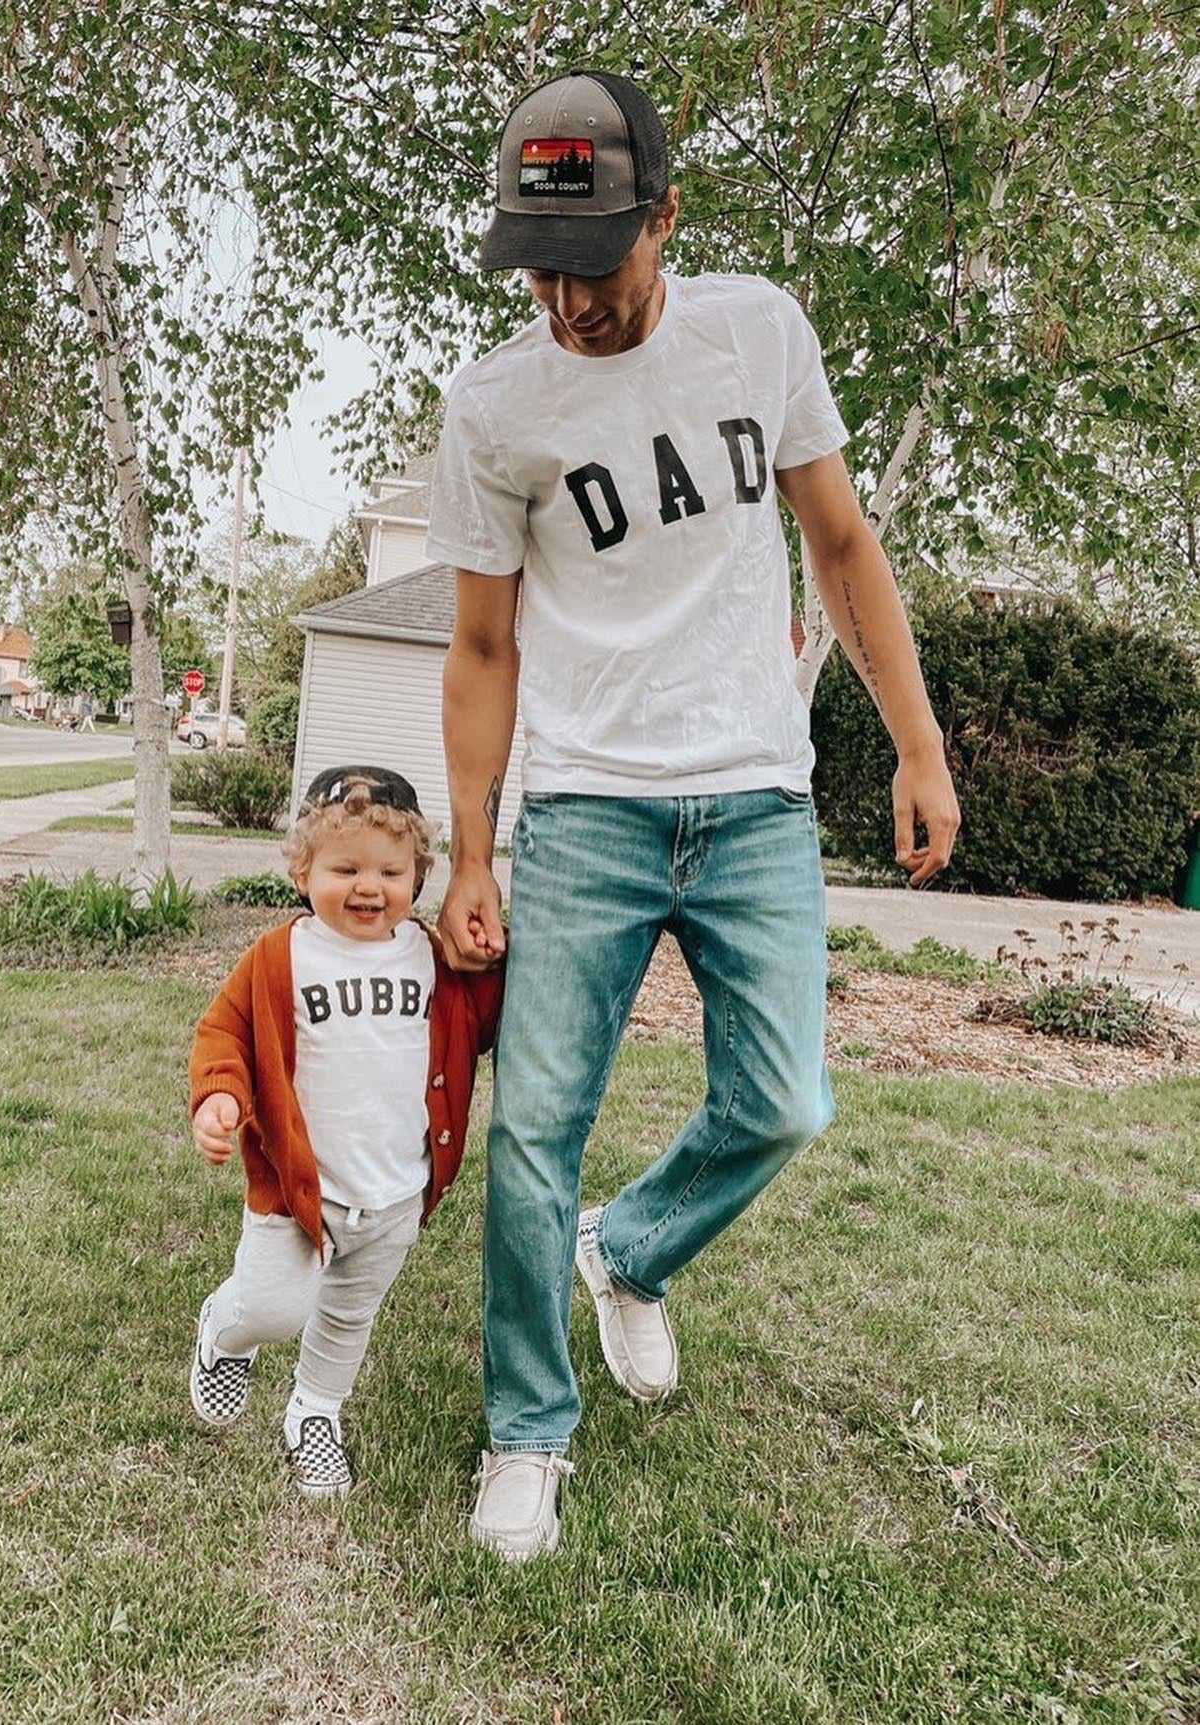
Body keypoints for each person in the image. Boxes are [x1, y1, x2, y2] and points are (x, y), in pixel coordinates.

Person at [427, 68, 961, 1561]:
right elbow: (481, 648)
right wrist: (474, 850)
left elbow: (843, 546)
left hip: (753, 794)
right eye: (536, 261)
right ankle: (528, 1433)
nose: (564, 297)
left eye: (592, 260)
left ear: (665, 216)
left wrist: (917, 746)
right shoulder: (494, 403)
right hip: (588, 803)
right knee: (535, 1127)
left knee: (786, 1099)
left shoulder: (758, 332)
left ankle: (632, 1250)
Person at [187, 766, 502, 1494]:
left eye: (391, 871)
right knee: (274, 1307)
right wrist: (218, 1098)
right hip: (300, 1191)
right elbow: (224, 1033)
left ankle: (315, 1413)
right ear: (303, 870)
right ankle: (225, 1328)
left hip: (395, 1191)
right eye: (346, 868)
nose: (369, 886)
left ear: (420, 876)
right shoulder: (280, 957)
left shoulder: (432, 957)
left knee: (347, 1316)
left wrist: (490, 959)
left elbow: (482, 1023)